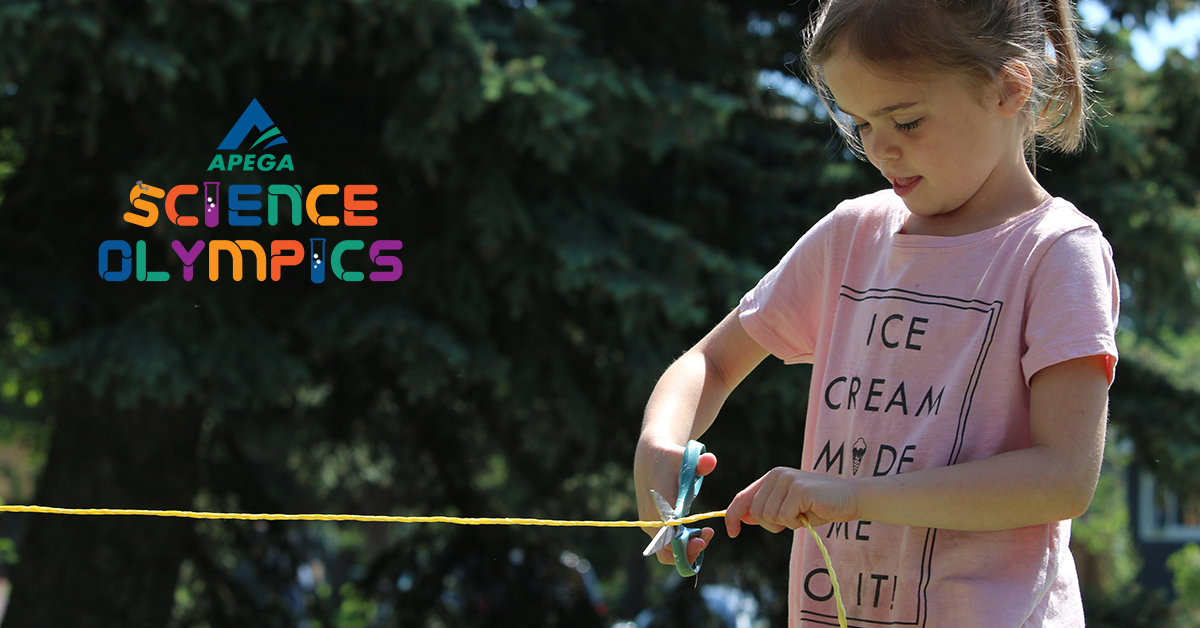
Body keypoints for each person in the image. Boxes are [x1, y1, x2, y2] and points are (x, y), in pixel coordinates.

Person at [633, 0, 1119, 625]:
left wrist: (854, 496)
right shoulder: (851, 236)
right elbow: (712, 361)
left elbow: (1064, 477)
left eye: (907, 121)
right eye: (860, 123)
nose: (879, 150)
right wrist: (660, 441)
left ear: (1009, 86)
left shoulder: (1055, 253)